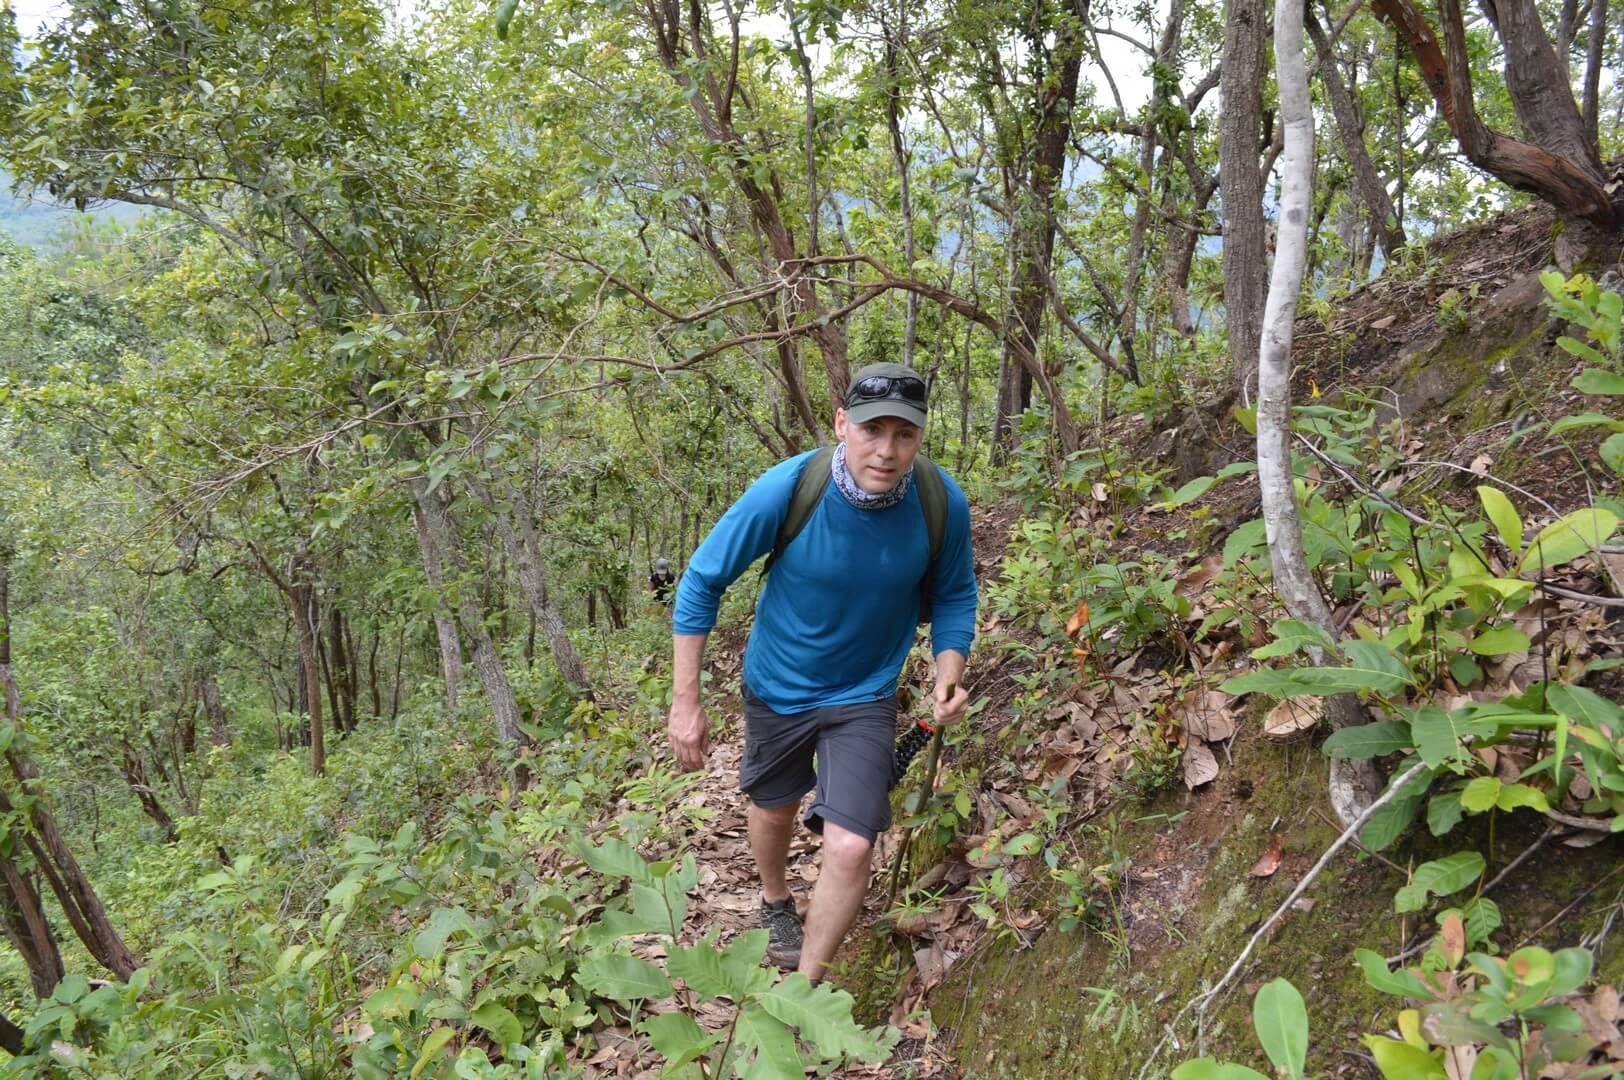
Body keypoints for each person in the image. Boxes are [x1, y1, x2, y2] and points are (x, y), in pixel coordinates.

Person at [669, 362, 977, 982]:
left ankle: (804, 992)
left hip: (866, 692)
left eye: (904, 435)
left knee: (852, 843)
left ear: (920, 437)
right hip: (778, 685)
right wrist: (685, 701)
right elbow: (701, 581)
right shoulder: (788, 490)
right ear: (841, 424)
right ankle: (775, 898)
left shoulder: (940, 503)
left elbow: (954, 595)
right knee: (775, 808)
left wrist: (949, 670)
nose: (886, 451)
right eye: (871, 430)